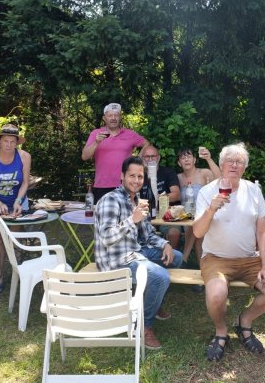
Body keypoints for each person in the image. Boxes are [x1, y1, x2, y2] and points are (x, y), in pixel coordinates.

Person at [193, 142, 265, 361]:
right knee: (216, 294)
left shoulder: (253, 190)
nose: (234, 165)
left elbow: (262, 232)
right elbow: (197, 232)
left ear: (244, 167)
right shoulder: (207, 192)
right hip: (216, 259)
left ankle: (244, 321)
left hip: (249, 259)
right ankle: (221, 331)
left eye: (240, 162)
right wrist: (211, 209)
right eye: (230, 161)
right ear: (222, 163)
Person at [94, 156, 183, 350]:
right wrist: (131, 220)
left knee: (176, 257)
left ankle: (154, 299)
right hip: (114, 260)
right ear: (122, 176)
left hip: (133, 252)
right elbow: (107, 238)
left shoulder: (137, 201)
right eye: (132, 175)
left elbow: (148, 234)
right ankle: (143, 326)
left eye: (140, 176)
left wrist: (165, 243)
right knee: (160, 277)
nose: (136, 180)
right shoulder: (110, 200)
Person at [0, 124, 31, 293]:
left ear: (17, 143)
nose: (9, 145)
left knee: (14, 237)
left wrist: (18, 201)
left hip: (17, 200)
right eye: (5, 141)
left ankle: (19, 274)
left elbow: (25, 183)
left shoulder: (24, 157)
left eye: (12, 141)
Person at [81, 103, 150, 203]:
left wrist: (138, 159)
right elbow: (84, 156)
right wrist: (96, 142)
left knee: (127, 216)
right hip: (101, 186)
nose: (113, 118)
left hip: (125, 185)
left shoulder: (129, 134)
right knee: (102, 217)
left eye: (116, 115)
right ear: (104, 118)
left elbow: (147, 144)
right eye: (110, 115)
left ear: (120, 117)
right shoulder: (96, 133)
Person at [177, 147, 221, 268]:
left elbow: (220, 178)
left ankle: (184, 259)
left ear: (195, 160)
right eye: (183, 157)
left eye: (189, 156)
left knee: (196, 229)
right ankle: (203, 270)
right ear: (179, 163)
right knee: (195, 231)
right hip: (184, 218)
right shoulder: (178, 178)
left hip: (205, 215)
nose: (186, 159)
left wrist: (209, 159)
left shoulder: (204, 173)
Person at [140, 144, 182, 248]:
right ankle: (149, 259)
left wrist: (157, 197)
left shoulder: (168, 172)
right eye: (147, 156)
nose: (150, 159)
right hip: (146, 216)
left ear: (158, 157)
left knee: (174, 232)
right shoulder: (138, 175)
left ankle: (171, 260)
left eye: (153, 156)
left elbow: (176, 195)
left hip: (167, 215)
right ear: (142, 158)